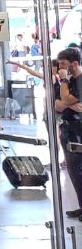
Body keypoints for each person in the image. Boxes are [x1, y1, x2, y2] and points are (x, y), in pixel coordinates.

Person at [55, 49, 82, 218]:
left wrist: (64, 81)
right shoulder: (69, 82)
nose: (60, 68)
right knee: (73, 169)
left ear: (74, 63)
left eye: (64, 64)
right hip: (66, 127)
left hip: (78, 128)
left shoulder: (77, 81)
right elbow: (57, 104)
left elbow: (64, 100)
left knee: (78, 168)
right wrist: (69, 103)